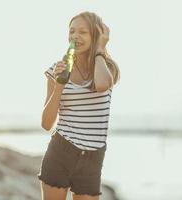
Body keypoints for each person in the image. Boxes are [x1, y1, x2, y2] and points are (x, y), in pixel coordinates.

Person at [37, 11, 120, 200]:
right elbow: (46, 123)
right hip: (61, 151)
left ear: (96, 35)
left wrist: (100, 48)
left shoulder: (107, 68)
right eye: (72, 31)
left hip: (93, 157)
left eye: (83, 32)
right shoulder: (55, 70)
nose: (75, 36)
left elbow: (101, 85)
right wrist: (59, 84)